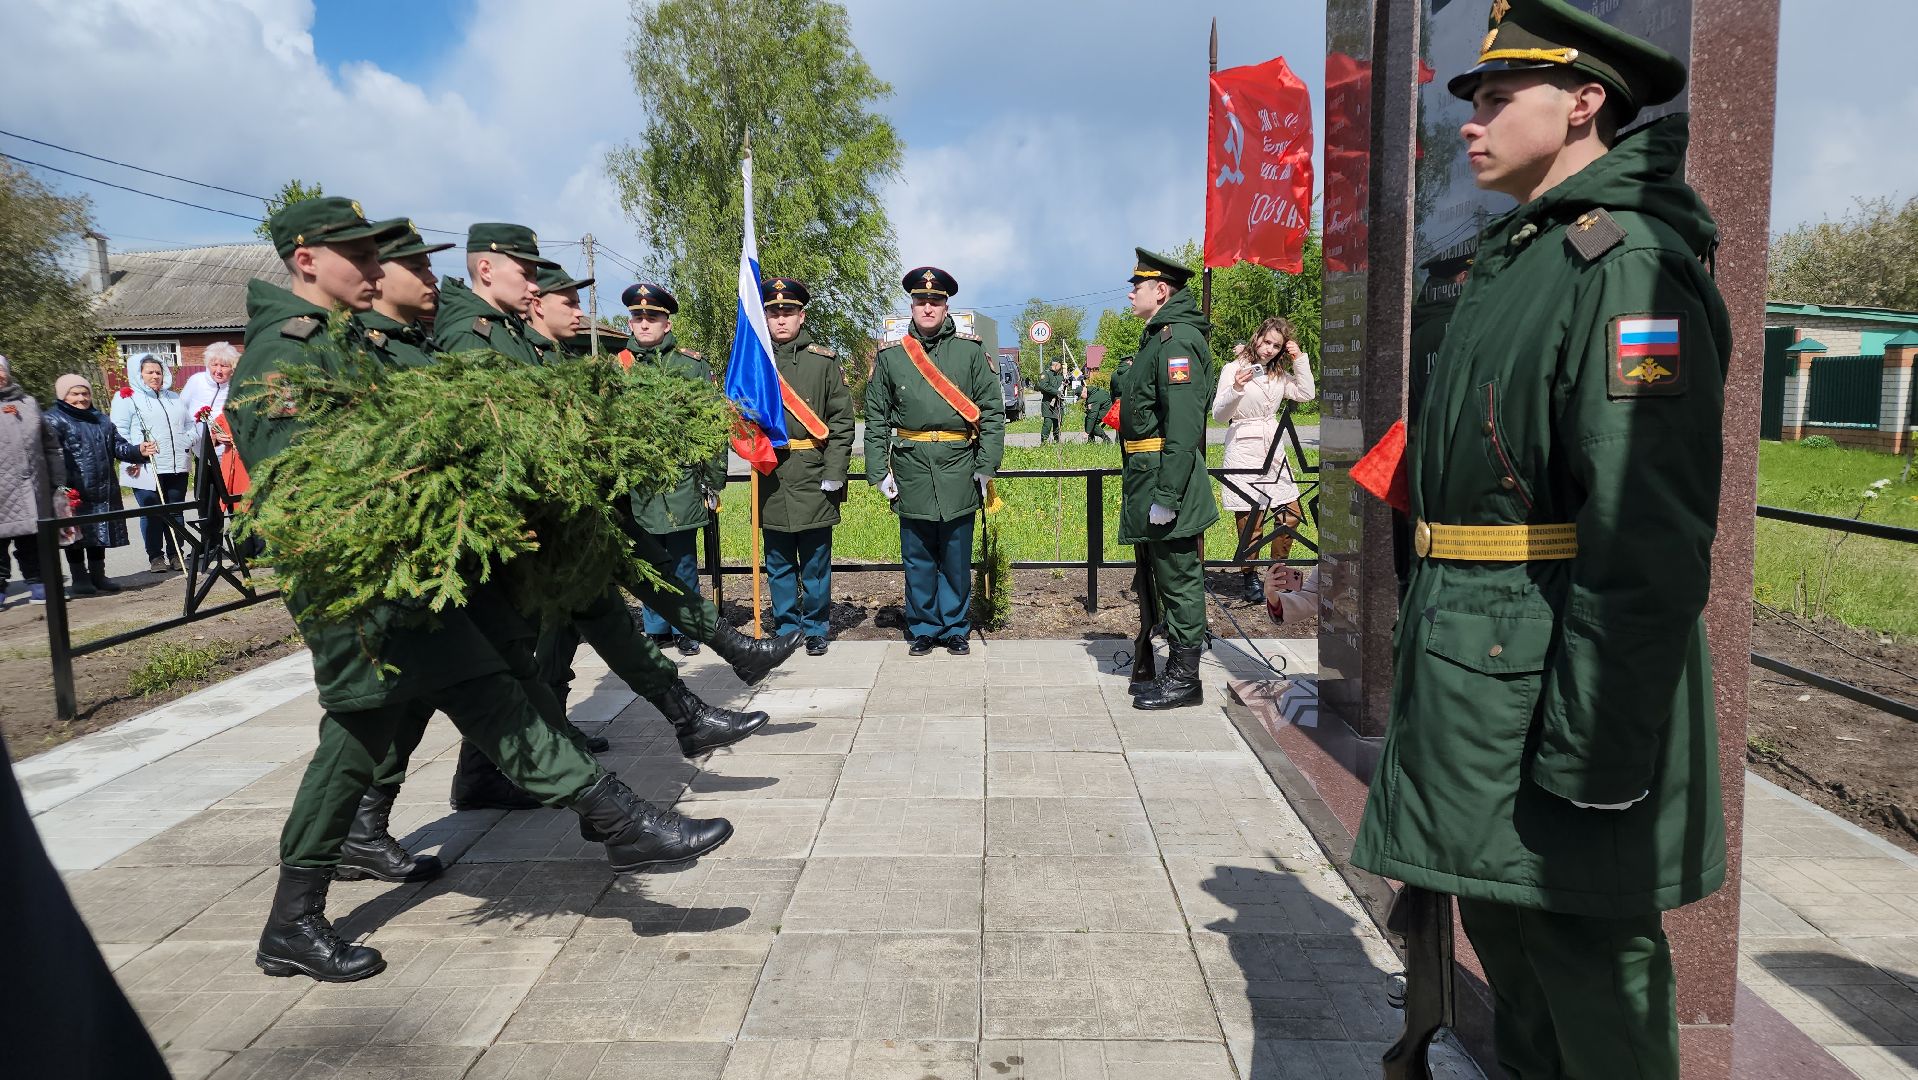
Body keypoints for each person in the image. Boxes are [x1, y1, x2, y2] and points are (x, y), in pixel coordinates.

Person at [1349, 3, 1730, 1076]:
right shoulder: (1523, 260)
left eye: (1498, 98)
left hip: (1553, 675)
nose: (1469, 122)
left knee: (1587, 958)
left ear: (1583, 103)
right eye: (1468, 100)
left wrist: (1600, 745)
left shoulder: (1623, 267)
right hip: (1485, 665)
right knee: (1513, 941)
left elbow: (1644, 531)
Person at [229, 197, 731, 983]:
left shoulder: (339, 343)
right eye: (358, 256)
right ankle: (613, 815)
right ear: (305, 259)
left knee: (406, 719)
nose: (373, 269)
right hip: (359, 590)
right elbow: (310, 496)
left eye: (375, 256)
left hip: (408, 577)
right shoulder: (285, 359)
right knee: (420, 715)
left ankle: (296, 918)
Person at [864, 267, 1006, 656]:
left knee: (957, 556)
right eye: (921, 300)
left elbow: (992, 412)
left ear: (947, 306)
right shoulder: (892, 356)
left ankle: (955, 627)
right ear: (912, 304)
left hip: (959, 464)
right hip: (910, 466)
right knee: (918, 556)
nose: (928, 307)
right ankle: (923, 626)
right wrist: (878, 470)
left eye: (936, 301)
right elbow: (876, 417)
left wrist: (986, 465)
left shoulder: (970, 351)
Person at [1116, 249, 1217, 710]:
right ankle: (1175, 671)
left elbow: (1181, 426)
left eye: (1138, 285)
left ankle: (1184, 679)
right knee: (1164, 577)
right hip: (1149, 479)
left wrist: (1168, 495)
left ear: (1161, 291)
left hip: (1164, 482)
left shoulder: (1175, 342)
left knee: (1179, 580)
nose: (1131, 291)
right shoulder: (1158, 338)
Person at [617, 282, 727, 655]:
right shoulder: (618, 369)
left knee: (682, 560)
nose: (644, 323)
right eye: (638, 317)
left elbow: (712, 426)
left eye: (653, 317)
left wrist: (713, 480)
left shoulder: (691, 365)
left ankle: (687, 627)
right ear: (630, 323)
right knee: (646, 559)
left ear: (667, 323)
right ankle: (656, 627)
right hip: (637, 483)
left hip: (681, 479)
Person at [756, 276, 856, 655]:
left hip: (814, 472)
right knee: (778, 561)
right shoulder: (755, 363)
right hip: (771, 473)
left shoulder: (822, 362)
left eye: (788, 312)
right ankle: (786, 627)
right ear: (764, 317)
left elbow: (842, 423)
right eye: (773, 312)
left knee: (815, 562)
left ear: (801, 316)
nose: (781, 319)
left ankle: (815, 627)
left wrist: (834, 473)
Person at [1212, 318, 1316, 604]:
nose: (1269, 349)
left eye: (1276, 345)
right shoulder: (1233, 369)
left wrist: (1299, 359)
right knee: (1250, 520)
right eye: (1266, 341)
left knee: (1290, 513)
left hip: (1273, 447)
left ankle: (1277, 573)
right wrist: (1235, 388)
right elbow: (1219, 415)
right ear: (1256, 337)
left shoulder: (1279, 374)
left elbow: (1306, 394)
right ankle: (1249, 577)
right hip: (1243, 446)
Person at [44, 375, 151, 596]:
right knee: (75, 534)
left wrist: (138, 451)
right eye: (75, 394)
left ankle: (98, 575)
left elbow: (118, 447)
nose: (81, 398)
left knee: (99, 531)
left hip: (103, 488)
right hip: (72, 489)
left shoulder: (101, 420)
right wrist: (57, 484)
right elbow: (48, 455)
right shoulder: (52, 420)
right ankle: (79, 577)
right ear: (63, 395)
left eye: (85, 393)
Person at [111, 353, 195, 573]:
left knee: (176, 511)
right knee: (151, 509)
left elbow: (189, 424)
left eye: (158, 371)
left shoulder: (173, 398)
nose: (155, 376)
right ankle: (155, 556)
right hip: (144, 465)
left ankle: (176, 553)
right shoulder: (125, 398)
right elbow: (117, 431)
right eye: (149, 372)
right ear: (139, 374)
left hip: (176, 463)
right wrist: (136, 450)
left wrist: (187, 439)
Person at [432, 223, 554, 365]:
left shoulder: (511, 329)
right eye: (525, 274)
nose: (535, 287)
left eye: (535, 277)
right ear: (486, 270)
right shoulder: (470, 336)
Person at [0, 356, 66, 604]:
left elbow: (51, 445)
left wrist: (57, 479)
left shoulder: (28, 403)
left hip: (31, 487)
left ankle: (38, 584)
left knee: (32, 541)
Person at [360, 219, 455, 369]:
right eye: (417, 269)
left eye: (428, 268)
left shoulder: (421, 342)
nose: (433, 278)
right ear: (376, 276)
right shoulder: (362, 348)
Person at [180, 341, 237, 458]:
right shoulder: (196, 381)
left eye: (224, 366)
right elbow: (181, 410)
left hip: (227, 454)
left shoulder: (237, 387)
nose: (219, 371)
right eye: (214, 365)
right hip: (199, 451)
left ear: (232, 368)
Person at [1037, 357, 1066, 444]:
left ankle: (1057, 441)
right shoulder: (1046, 374)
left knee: (1058, 423)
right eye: (1060, 365)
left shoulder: (1060, 375)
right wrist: (1056, 392)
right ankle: (1044, 442)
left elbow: (1062, 387)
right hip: (1048, 403)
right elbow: (1043, 386)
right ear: (1056, 364)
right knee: (1048, 424)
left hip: (1058, 403)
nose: (1061, 367)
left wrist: (1065, 385)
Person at [1081, 375, 1112, 443]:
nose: (1081, 399)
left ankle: (1106, 439)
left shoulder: (1092, 398)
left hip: (1108, 410)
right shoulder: (1091, 391)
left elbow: (1092, 416)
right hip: (1105, 408)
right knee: (1088, 420)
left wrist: (1087, 432)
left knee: (1092, 422)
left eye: (1081, 397)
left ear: (1083, 392)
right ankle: (1091, 440)